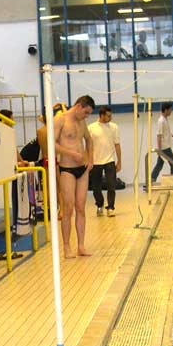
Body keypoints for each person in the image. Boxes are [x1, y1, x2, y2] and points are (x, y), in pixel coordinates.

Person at [53, 95, 94, 258]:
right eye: (85, 112)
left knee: (81, 208)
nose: (86, 116)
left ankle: (81, 246)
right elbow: (52, 144)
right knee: (68, 209)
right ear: (78, 106)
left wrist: (91, 159)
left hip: (82, 169)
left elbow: (89, 140)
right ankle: (66, 247)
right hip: (67, 169)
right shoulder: (60, 120)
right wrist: (70, 153)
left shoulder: (81, 122)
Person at [88, 106, 121, 217]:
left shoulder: (114, 127)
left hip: (109, 160)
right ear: (101, 115)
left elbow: (117, 145)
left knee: (111, 185)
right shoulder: (91, 128)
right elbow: (88, 146)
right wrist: (88, 160)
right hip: (95, 161)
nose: (110, 118)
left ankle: (110, 207)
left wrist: (119, 161)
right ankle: (100, 204)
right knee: (96, 188)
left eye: (111, 116)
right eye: (108, 116)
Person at [151, 103, 173, 184]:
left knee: (159, 165)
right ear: (166, 110)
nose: (171, 111)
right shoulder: (161, 121)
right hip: (165, 148)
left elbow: (166, 133)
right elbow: (159, 136)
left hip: (165, 147)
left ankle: (150, 181)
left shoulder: (165, 119)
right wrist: (159, 150)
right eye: (170, 109)